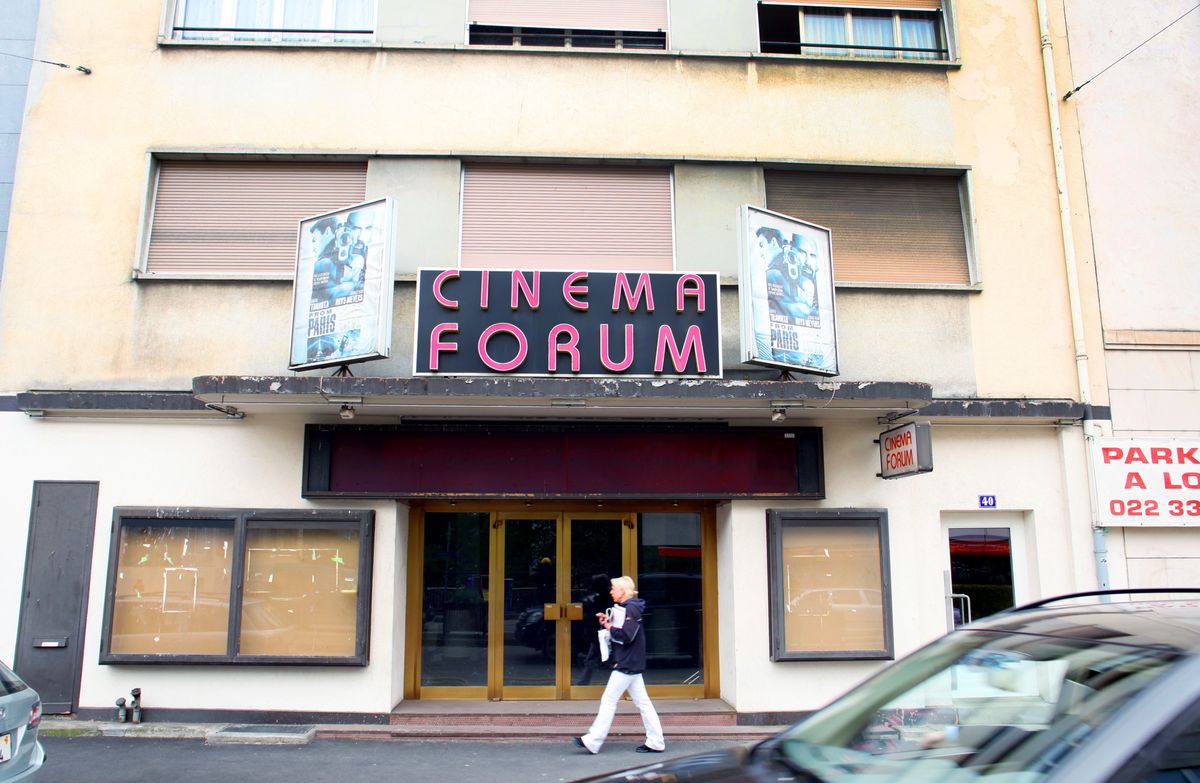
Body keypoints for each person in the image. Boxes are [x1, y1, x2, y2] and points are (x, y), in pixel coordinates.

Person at [573, 575, 666, 755]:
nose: (611, 591)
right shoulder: (629, 608)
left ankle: (593, 740)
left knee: (609, 700)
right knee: (643, 703)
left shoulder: (630, 609)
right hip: (632, 661)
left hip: (627, 662)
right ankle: (656, 741)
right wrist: (608, 623)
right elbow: (624, 633)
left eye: (614, 589)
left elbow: (627, 635)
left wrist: (609, 627)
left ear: (623, 591)